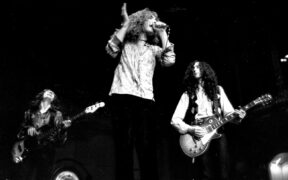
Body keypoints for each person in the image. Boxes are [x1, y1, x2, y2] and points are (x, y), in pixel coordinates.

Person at [105, 3, 175, 180]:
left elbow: (169, 61)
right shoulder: (127, 43)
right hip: (122, 96)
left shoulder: (154, 49)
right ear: (140, 22)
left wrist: (162, 33)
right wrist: (127, 23)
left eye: (156, 19)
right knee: (123, 146)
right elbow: (111, 48)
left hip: (145, 100)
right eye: (150, 19)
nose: (154, 21)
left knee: (146, 148)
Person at [171, 60, 246, 180]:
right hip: (199, 135)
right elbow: (174, 120)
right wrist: (191, 129)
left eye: (198, 67)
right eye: (193, 68)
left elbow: (229, 113)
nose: (194, 69)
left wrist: (238, 116)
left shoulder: (218, 90)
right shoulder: (187, 94)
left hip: (218, 132)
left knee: (224, 170)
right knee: (205, 172)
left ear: (205, 70)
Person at [14, 89, 71, 180]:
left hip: (46, 153)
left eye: (52, 92)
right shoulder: (29, 112)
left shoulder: (57, 114)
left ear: (53, 99)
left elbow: (60, 141)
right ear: (41, 95)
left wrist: (64, 129)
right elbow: (19, 132)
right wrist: (28, 128)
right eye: (48, 91)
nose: (51, 92)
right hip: (28, 151)